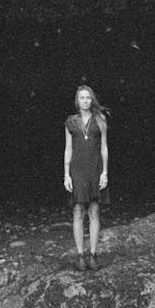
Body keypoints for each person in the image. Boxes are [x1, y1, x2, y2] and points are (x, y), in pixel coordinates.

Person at [63, 84, 109, 271]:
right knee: (78, 211)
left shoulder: (100, 119)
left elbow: (104, 147)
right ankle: (80, 255)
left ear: (92, 100)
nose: (85, 101)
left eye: (88, 97)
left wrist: (105, 172)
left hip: (95, 168)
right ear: (77, 100)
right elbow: (68, 149)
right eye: (82, 97)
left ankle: (93, 254)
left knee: (95, 211)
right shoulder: (71, 122)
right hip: (77, 170)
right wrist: (66, 175)